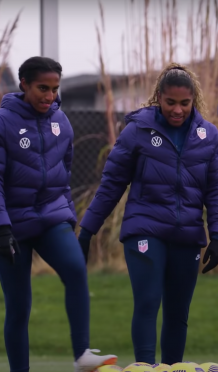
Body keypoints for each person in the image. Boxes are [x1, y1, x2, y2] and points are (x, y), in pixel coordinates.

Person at [78, 63, 218, 365]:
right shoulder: (137, 131)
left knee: (178, 312)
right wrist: (87, 230)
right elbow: (112, 184)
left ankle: (174, 369)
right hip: (144, 229)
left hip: (187, 234)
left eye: (184, 103)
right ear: (158, 97)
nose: (177, 110)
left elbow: (217, 189)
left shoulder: (208, 136)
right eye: (170, 102)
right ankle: (145, 368)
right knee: (148, 302)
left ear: (193, 101)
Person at [0, 56, 117, 372]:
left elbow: (63, 175)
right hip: (11, 226)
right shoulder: (3, 121)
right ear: (23, 84)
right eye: (42, 88)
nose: (49, 96)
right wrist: (2, 227)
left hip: (52, 217)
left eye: (54, 89)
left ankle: (82, 356)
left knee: (76, 269)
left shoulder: (61, 122)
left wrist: (67, 218)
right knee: (19, 307)